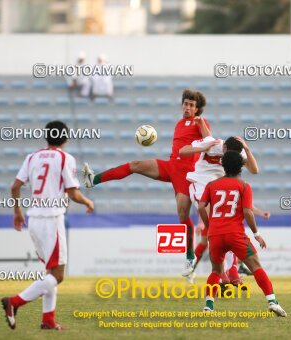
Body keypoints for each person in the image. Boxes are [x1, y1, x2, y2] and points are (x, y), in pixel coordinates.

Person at [83, 89, 210, 276]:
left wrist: (201, 123)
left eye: (191, 105)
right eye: (185, 103)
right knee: (135, 165)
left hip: (186, 175)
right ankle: (92, 180)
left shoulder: (201, 122)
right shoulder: (179, 123)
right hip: (171, 167)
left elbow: (209, 140)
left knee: (183, 216)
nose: (187, 107)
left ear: (197, 109)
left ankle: (190, 258)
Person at [2, 121, 95, 330]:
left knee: (50, 273)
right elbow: (72, 193)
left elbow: (15, 186)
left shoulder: (32, 157)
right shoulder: (65, 158)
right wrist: (88, 201)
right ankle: (14, 302)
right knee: (58, 275)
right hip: (51, 220)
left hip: (34, 219)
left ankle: (48, 320)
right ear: (65, 138)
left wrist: (17, 212)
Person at [198, 150, 286, 316]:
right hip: (235, 234)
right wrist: (256, 233)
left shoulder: (211, 185)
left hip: (215, 234)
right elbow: (247, 211)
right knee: (255, 266)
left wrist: (210, 225)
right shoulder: (244, 186)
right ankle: (272, 301)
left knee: (216, 271)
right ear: (241, 167)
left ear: (223, 166)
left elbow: (201, 206)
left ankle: (208, 306)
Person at [178, 135, 267, 284]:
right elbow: (183, 151)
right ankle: (220, 271)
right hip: (200, 183)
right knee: (212, 231)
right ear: (224, 147)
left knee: (226, 228)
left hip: (219, 187)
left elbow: (254, 170)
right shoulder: (213, 144)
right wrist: (203, 149)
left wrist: (247, 148)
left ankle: (229, 271)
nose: (232, 157)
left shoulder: (240, 152)